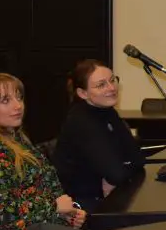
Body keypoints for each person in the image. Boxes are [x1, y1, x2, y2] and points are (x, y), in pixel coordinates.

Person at [0, 73, 85, 230]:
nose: (18, 106)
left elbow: (47, 188)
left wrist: (70, 213)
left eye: (19, 98)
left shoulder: (19, 139)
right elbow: (5, 217)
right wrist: (55, 207)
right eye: (6, 100)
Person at [53, 60, 145, 213]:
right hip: (80, 207)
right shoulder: (81, 121)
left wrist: (114, 176)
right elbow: (117, 173)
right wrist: (117, 173)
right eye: (101, 85)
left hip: (106, 196)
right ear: (83, 93)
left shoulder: (107, 112)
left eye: (112, 80)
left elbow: (138, 159)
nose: (112, 88)